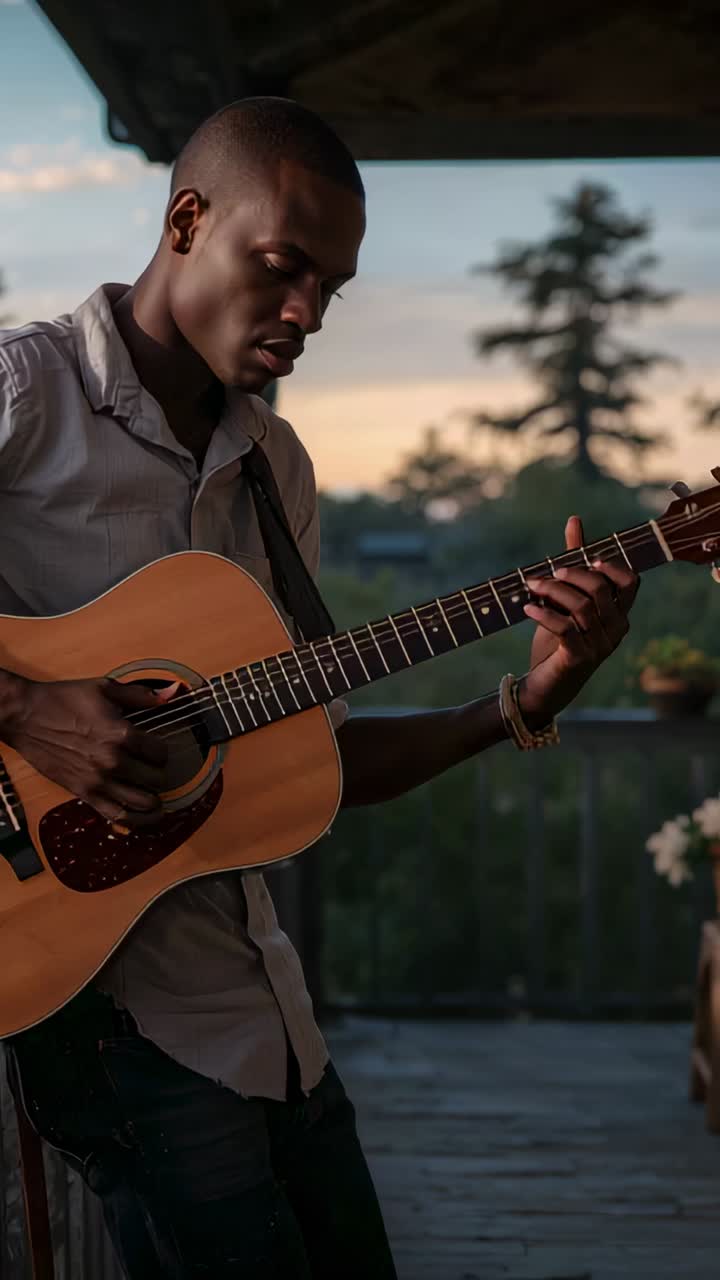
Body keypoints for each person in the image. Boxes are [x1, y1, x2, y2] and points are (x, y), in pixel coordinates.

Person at [0, 98, 638, 1278]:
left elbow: (308, 756)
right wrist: (30, 708)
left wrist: (526, 701)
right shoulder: (24, 397)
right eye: (284, 267)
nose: (307, 314)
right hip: (111, 1017)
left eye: (331, 289)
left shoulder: (273, 469)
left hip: (269, 1009)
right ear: (186, 219)